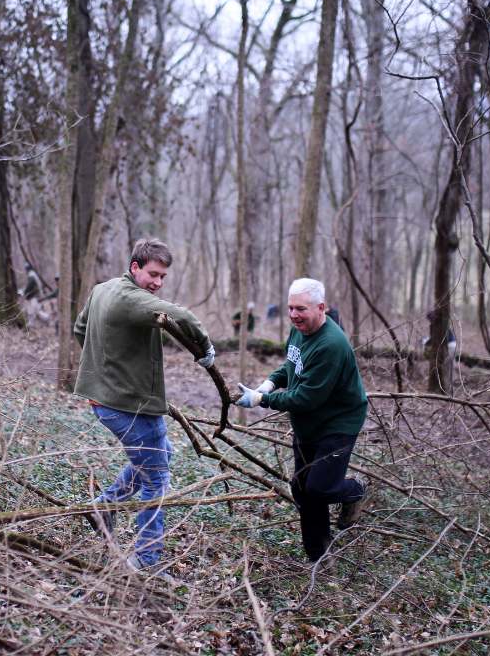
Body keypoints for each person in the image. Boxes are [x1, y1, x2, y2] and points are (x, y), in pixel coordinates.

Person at [74, 238, 215, 571]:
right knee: (156, 479)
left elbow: (81, 330)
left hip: (104, 400)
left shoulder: (101, 289)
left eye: (163, 277)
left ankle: (103, 507)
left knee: (158, 457)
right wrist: (206, 349)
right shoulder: (130, 299)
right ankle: (146, 559)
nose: (158, 283)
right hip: (131, 406)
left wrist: (107, 364)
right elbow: (183, 315)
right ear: (134, 267)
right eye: (153, 274)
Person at [235, 278, 369, 562]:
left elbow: (307, 398)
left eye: (301, 309)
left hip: (338, 422)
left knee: (320, 488)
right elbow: (291, 365)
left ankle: (355, 489)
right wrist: (268, 385)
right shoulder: (299, 331)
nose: (294, 314)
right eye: (290, 308)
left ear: (321, 308)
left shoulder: (331, 344)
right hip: (309, 422)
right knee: (301, 488)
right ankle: (318, 554)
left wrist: (262, 400)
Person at [20, 261, 45, 325]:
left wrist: (24, 292)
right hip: (36, 295)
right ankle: (32, 323)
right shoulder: (33, 275)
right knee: (35, 310)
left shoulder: (31, 275)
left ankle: (46, 319)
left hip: (35, 296)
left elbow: (30, 286)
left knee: (33, 310)